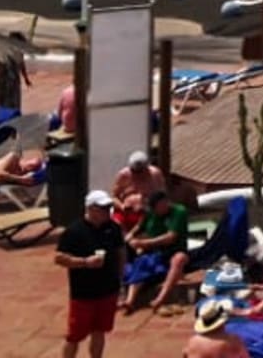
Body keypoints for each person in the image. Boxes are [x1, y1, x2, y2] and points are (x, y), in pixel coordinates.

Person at [55, 190, 126, 357]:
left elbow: (121, 252)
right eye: (103, 208)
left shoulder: (113, 228)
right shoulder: (74, 231)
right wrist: (85, 262)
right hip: (84, 293)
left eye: (108, 207)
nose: (107, 211)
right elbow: (59, 258)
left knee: (100, 330)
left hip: (108, 290)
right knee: (74, 335)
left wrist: (121, 278)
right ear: (91, 208)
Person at [122, 189, 192, 310]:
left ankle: (160, 298)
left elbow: (170, 237)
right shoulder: (150, 213)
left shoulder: (179, 212)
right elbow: (139, 226)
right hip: (155, 252)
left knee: (179, 259)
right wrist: (130, 236)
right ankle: (130, 300)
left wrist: (144, 243)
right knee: (141, 262)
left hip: (175, 250)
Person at [110, 149, 166, 225]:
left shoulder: (156, 175)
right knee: (115, 224)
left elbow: (162, 196)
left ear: (147, 168)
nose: (137, 174)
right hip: (126, 213)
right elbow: (113, 197)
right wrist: (122, 206)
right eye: (134, 171)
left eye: (140, 171)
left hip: (149, 213)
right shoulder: (124, 175)